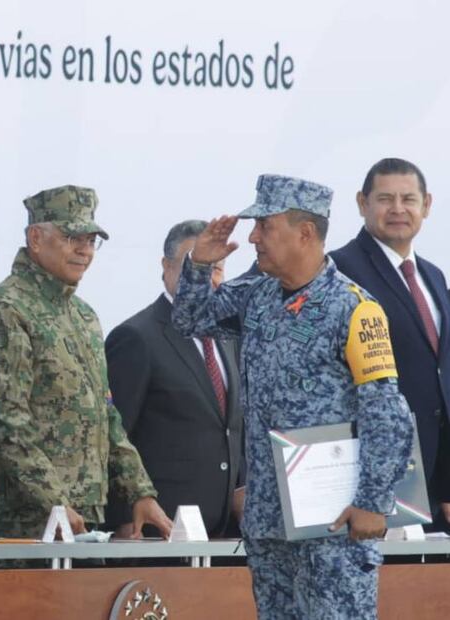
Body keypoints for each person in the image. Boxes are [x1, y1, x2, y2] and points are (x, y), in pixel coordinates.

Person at [172, 174, 414, 618]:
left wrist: (373, 502)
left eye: (265, 226)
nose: (253, 238)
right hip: (269, 519)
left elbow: (387, 413)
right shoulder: (258, 294)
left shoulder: (355, 308)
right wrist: (200, 267)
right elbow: (191, 321)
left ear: (305, 233)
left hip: (333, 523)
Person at [0, 185, 171, 539]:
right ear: (36, 237)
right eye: (72, 237)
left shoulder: (83, 316)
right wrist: (55, 501)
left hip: (84, 516)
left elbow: (106, 413)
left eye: (92, 240)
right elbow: (6, 424)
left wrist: (140, 491)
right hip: (31, 521)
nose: (84, 250)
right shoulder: (7, 311)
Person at [330, 158, 450, 529]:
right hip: (372, 482)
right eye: (385, 199)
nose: (398, 209)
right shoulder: (338, 270)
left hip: (435, 482)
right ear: (362, 203)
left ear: (426, 205)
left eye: (408, 199)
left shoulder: (433, 275)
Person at [105, 220, 244, 538]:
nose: (205, 277)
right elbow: (114, 435)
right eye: (195, 264)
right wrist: (124, 517)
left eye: (216, 268)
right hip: (160, 529)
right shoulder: (136, 338)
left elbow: (233, 428)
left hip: (224, 532)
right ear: (166, 266)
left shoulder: (228, 337)